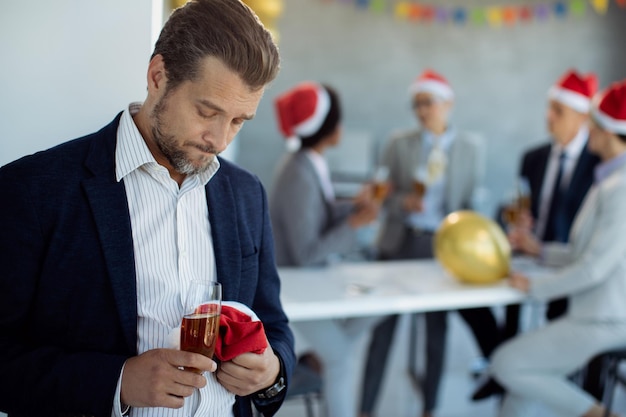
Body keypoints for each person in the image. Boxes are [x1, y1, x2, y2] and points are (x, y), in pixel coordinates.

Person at [0, 1, 295, 416]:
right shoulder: (34, 191)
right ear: (158, 76)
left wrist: (271, 371)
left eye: (238, 121)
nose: (219, 139)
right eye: (207, 112)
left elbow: (273, 322)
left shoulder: (246, 192)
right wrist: (118, 381)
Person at [490, 79, 626, 417]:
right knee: (523, 383)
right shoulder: (608, 179)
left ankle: (597, 414)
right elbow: (586, 252)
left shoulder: (621, 187)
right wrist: (540, 252)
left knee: (507, 363)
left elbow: (595, 267)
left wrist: (536, 286)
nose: (587, 129)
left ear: (608, 131)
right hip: (596, 312)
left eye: (592, 122)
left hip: (605, 318)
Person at [359, 69, 485, 417]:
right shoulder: (399, 143)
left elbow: (473, 202)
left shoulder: (470, 149)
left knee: (436, 330)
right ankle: (365, 408)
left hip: (441, 248)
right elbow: (382, 191)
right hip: (399, 242)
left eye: (428, 103)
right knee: (382, 328)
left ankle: (430, 407)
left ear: (448, 104)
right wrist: (402, 202)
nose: (422, 111)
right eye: (417, 104)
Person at [470, 69, 601, 401]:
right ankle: (502, 366)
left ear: (583, 116)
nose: (549, 117)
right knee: (478, 299)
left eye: (558, 111)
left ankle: (556, 381)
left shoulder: (601, 163)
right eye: (549, 108)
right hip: (528, 255)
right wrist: (515, 222)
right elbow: (512, 204)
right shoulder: (534, 157)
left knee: (559, 312)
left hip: (569, 262)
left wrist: (545, 249)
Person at [269, 81, 381, 417]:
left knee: (375, 309)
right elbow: (307, 251)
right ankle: (323, 358)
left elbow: (320, 214)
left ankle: (319, 355)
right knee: (341, 357)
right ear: (329, 128)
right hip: (293, 286)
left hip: (310, 282)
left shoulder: (309, 163)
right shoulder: (299, 173)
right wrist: (355, 225)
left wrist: (355, 207)